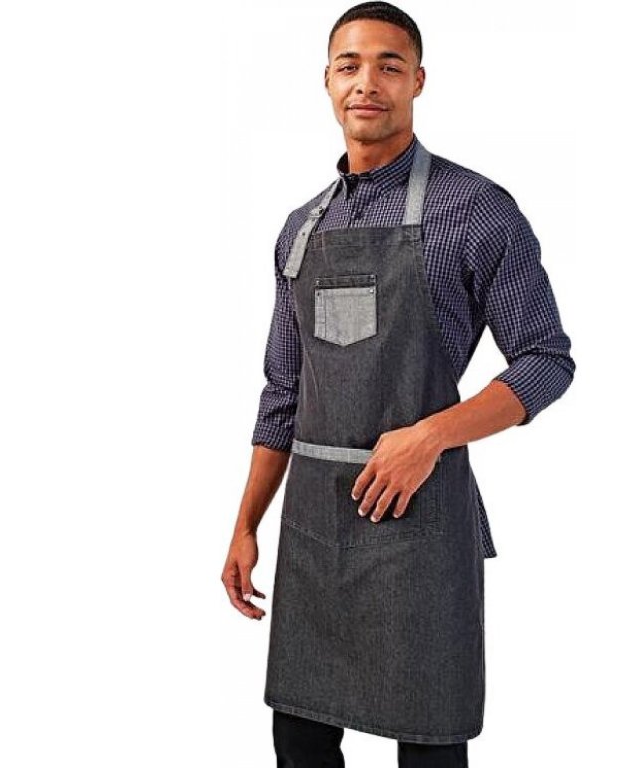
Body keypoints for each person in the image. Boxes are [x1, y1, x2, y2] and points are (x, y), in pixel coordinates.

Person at [222, 2, 575, 765]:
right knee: (301, 742)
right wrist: (246, 523)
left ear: (418, 80)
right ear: (326, 81)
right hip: (313, 535)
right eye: (349, 65)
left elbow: (546, 359)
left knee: (430, 747)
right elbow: (283, 393)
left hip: (419, 531)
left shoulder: (475, 210)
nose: (367, 82)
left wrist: (431, 435)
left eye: (389, 65)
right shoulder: (300, 229)